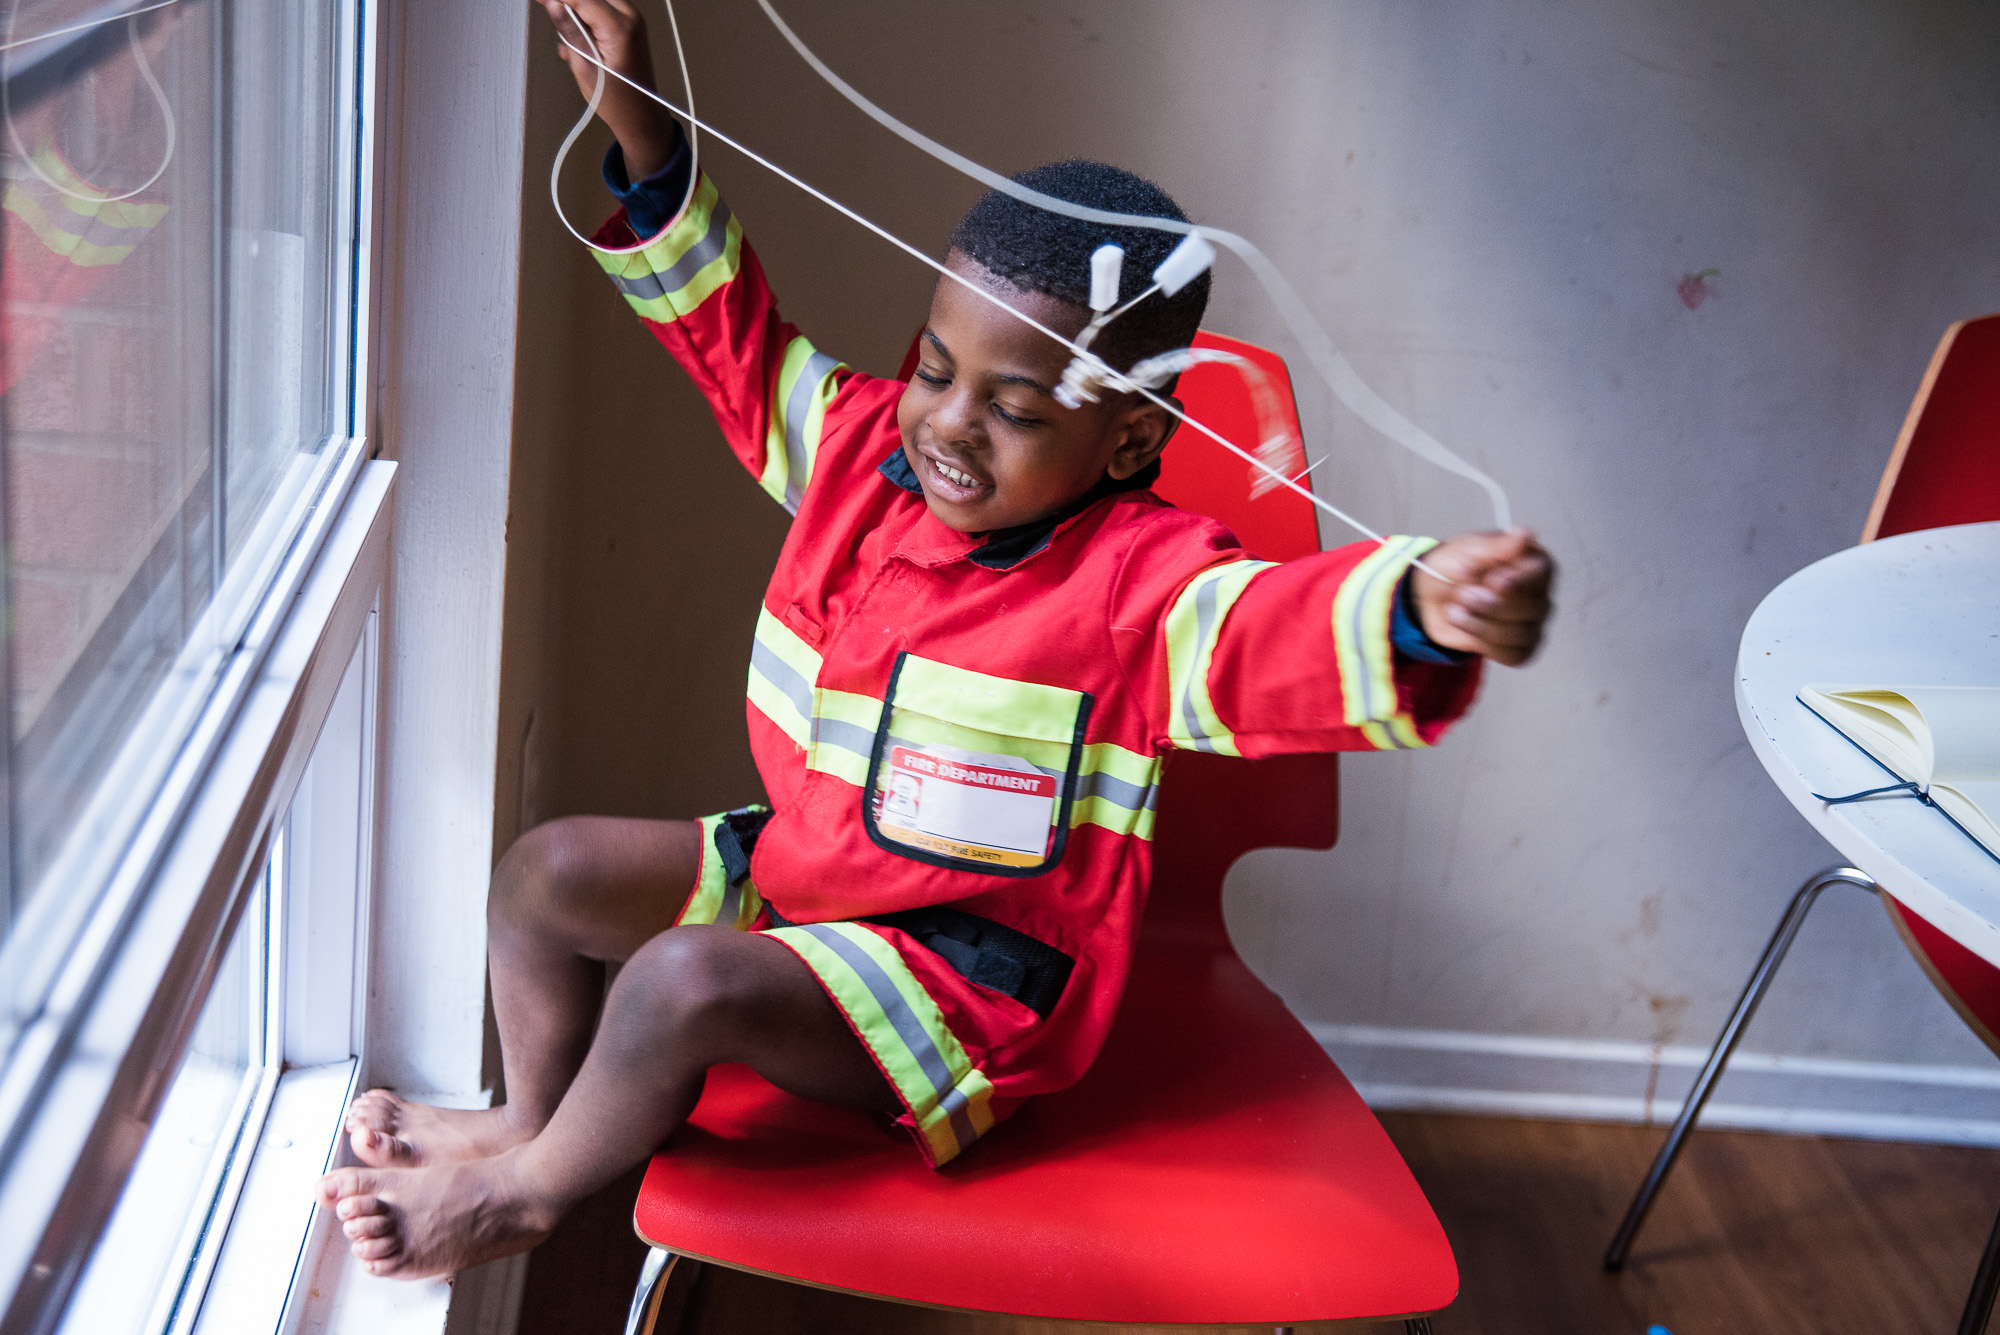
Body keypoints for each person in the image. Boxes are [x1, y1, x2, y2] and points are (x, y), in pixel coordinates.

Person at [318, 0, 1556, 1279]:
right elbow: (727, 335)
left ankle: (530, 1192)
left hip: (962, 992)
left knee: (679, 985)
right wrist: (634, 117)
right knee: (544, 873)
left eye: (1015, 406)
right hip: (806, 880)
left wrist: (1423, 604)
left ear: (1128, 439)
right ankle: (528, 1114)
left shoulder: (1149, 583)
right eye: (933, 368)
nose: (950, 424)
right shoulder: (857, 449)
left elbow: (1284, 633)